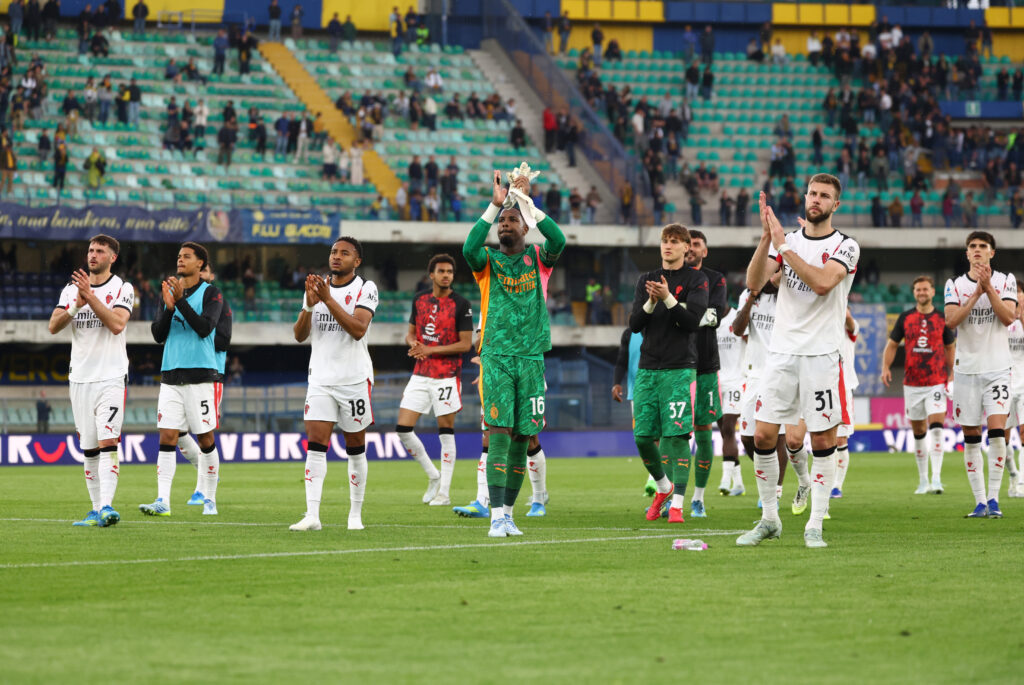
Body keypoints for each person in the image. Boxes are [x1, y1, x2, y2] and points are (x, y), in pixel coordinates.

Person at [739, 174, 859, 548]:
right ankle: (769, 519)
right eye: (812, 193)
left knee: (822, 439)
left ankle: (815, 525)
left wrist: (783, 249)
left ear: (835, 205)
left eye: (824, 196)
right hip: (782, 353)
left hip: (822, 354)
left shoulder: (846, 246)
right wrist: (765, 240)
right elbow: (755, 282)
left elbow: (823, 282)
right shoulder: (784, 241)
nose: (816, 200)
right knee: (762, 434)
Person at [462, 169, 565, 537]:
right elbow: (468, 249)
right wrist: (493, 207)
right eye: (502, 222)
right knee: (500, 434)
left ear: (524, 229)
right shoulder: (487, 263)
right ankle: (495, 519)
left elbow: (559, 239)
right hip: (497, 357)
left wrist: (528, 205)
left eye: (512, 220)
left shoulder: (539, 259)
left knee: (523, 438)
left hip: (533, 359)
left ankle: (507, 513)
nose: (505, 225)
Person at [290, 237, 378, 532]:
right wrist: (309, 305)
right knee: (315, 447)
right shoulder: (317, 289)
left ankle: (355, 514)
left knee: (355, 449)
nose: (336, 257)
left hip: (354, 380)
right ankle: (312, 515)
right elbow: (299, 336)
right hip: (320, 380)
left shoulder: (366, 288)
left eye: (344, 253)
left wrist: (327, 300)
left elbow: (358, 329)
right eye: (333, 252)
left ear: (357, 261)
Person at [48, 234, 132, 528]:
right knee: (89, 447)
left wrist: (91, 297)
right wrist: (74, 306)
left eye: (100, 251)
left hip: (110, 376)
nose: (93, 255)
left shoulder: (123, 287)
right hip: (79, 378)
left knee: (109, 441)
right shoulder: (71, 291)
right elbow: (53, 327)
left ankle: (108, 506)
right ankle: (95, 509)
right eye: (91, 250)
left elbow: (117, 324)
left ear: (113, 257)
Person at [629, 223, 708, 524]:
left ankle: (677, 505)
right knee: (642, 438)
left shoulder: (696, 279)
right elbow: (635, 324)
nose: (668, 246)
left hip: (679, 369)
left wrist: (668, 299)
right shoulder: (645, 280)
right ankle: (664, 486)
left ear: (687, 247)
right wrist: (651, 300)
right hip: (648, 369)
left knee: (676, 437)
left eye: (675, 241)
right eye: (665, 240)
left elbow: (692, 322)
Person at [140, 242, 224, 518]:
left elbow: (204, 328)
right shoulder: (167, 291)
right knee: (167, 436)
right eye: (178, 256)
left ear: (200, 264)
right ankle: (163, 499)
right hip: (171, 375)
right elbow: (157, 334)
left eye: (187, 256)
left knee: (205, 437)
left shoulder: (212, 293)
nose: (180, 260)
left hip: (200, 376)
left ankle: (209, 498)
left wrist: (180, 302)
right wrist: (167, 308)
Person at [944, 231, 1017, 519]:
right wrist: (976, 293)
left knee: (997, 431)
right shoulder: (955, 285)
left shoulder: (1006, 281)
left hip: (998, 368)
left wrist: (989, 289)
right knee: (971, 435)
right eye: (972, 246)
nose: (977, 250)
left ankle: (994, 498)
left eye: (982, 246)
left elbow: (1009, 317)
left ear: (992, 253)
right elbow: (950, 321)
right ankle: (979, 501)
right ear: (966, 253)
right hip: (966, 371)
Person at [397, 254, 474, 506]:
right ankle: (433, 475)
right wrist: (415, 344)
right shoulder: (419, 300)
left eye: (450, 272)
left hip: (446, 377)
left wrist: (430, 350)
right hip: (420, 374)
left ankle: (444, 493)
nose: (446, 275)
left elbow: (465, 344)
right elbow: (410, 334)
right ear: (431, 275)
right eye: (441, 271)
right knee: (403, 429)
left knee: (446, 432)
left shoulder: (462, 304)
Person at [881, 276, 955, 495]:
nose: (922, 293)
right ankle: (923, 480)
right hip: (912, 383)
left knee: (937, 429)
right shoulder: (905, 317)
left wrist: (951, 374)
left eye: (925, 289)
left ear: (933, 292)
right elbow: (892, 344)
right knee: (919, 432)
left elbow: (951, 347)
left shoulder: (942, 318)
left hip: (936, 381)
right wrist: (885, 367)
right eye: (918, 290)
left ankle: (937, 479)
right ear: (914, 293)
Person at [178, 261, 233, 507]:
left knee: (203, 433)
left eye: (205, 271)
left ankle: (202, 489)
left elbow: (224, 339)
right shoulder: (183, 297)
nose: (201, 275)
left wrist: (200, 331)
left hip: (210, 374)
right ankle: (210, 471)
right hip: (181, 374)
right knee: (177, 432)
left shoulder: (218, 300)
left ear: (209, 274)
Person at [683, 230, 728, 518]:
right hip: (672, 364)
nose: (691, 248)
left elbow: (716, 315)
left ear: (704, 251)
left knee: (702, 433)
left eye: (696, 244)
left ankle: (698, 498)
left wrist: (677, 311)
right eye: (687, 244)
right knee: (669, 435)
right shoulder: (666, 276)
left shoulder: (716, 279)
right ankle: (669, 493)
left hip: (704, 364)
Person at [715, 297, 746, 497]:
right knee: (725, 431)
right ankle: (739, 482)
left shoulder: (738, 317)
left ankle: (725, 479)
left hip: (737, 380)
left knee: (728, 426)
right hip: (717, 382)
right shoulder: (709, 321)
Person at [1005, 282, 1024, 498]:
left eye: (1020, 292)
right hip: (1003, 384)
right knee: (1002, 438)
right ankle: (1013, 474)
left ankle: (1023, 482)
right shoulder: (1001, 319)